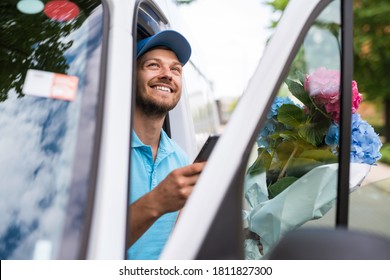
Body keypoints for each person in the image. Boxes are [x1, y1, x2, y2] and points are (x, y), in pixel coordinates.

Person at [127, 30, 206, 260]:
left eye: (175, 69)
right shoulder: (102, 153)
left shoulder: (181, 159)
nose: (167, 75)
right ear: (131, 75)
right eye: (153, 65)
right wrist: (157, 201)